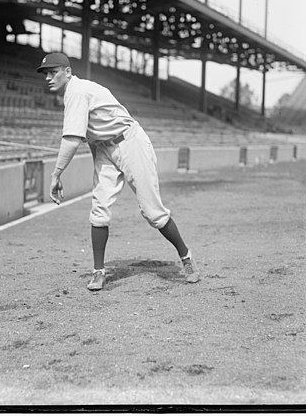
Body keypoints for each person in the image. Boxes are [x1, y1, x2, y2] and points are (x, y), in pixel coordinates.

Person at [37, 51, 200, 291]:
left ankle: (187, 258)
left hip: (130, 143)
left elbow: (71, 140)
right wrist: (99, 168)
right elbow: (91, 137)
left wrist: (55, 175)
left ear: (68, 72)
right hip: (105, 147)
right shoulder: (73, 93)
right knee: (99, 208)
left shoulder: (77, 92)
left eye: (53, 72)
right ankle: (98, 272)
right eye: (45, 74)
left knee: (152, 212)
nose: (48, 78)